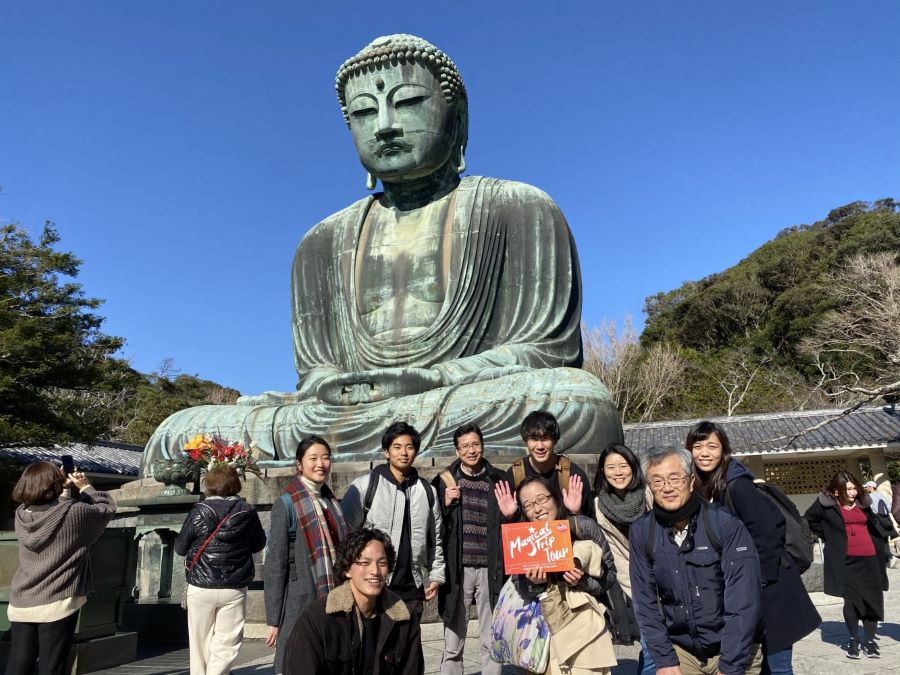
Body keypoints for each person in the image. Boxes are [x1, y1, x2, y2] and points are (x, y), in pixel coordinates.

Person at [141, 32, 622, 469]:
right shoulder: (321, 242)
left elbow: (545, 352)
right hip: (351, 412)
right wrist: (329, 386)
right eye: (365, 113)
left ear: (457, 118)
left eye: (408, 102)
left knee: (578, 401)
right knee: (179, 431)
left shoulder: (518, 207)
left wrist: (431, 379)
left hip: (459, 397)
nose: (385, 126)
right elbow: (318, 371)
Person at [688, 421, 820, 674]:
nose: (705, 453)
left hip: (771, 587)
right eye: (698, 446)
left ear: (724, 450)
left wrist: (755, 582)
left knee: (778, 664)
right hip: (747, 588)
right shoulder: (707, 486)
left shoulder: (738, 484)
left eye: (712, 446)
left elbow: (769, 532)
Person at [630, 446, 763, 675]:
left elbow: (744, 599)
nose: (667, 488)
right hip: (683, 650)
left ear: (691, 481)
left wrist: (730, 665)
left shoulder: (725, 524)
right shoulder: (642, 532)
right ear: (649, 487)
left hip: (734, 647)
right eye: (658, 481)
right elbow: (645, 601)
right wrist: (664, 660)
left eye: (674, 478)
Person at [6, 461, 117, 675]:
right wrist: (84, 487)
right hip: (58, 600)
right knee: (51, 666)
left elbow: (55, 514)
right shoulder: (75, 513)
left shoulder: (22, 515)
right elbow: (106, 509)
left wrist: (64, 489)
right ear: (54, 484)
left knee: (19, 664)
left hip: (22, 599)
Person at [511, 475, 617, 674]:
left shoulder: (582, 526)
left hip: (585, 630)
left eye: (542, 499)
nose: (537, 508)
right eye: (528, 505)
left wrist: (582, 581)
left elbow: (609, 577)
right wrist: (537, 584)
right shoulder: (521, 540)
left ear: (556, 498)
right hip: (542, 633)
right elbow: (521, 589)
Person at [282, 526, 424, 675]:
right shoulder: (316, 620)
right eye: (365, 563)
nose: (375, 571)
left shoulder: (404, 619)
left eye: (382, 563)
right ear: (347, 569)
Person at [341, 421, 445, 618]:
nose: (403, 453)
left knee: (410, 646)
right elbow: (345, 536)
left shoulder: (426, 491)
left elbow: (435, 538)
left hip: (412, 588)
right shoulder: (365, 486)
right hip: (375, 584)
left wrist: (436, 575)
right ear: (386, 452)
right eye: (397, 447)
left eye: (409, 447)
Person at [264, 435, 349, 674]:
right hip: (300, 598)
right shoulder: (288, 503)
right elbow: (275, 565)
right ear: (299, 464)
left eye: (325, 458)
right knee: (299, 661)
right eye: (313, 458)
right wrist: (273, 619)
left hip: (333, 593)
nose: (320, 463)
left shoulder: (330, 500)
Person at [175, 464, 267, 675]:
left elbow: (180, 548)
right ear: (236, 485)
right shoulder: (248, 512)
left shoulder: (199, 511)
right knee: (227, 642)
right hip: (234, 585)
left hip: (200, 584)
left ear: (209, 486)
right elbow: (259, 544)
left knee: (199, 642)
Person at [432, 423, 508, 675]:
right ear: (457, 450)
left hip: (491, 569)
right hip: (459, 569)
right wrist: (444, 504)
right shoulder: (443, 481)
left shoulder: (499, 480)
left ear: (483, 445)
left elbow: (510, 521)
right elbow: (433, 527)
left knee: (491, 636)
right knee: (453, 640)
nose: (471, 450)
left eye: (475, 444)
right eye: (465, 446)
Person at [804, 471, 889, 659]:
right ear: (836, 491)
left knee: (872, 601)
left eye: (854, 488)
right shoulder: (825, 504)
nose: (852, 493)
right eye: (848, 489)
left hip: (870, 558)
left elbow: (873, 525)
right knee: (851, 601)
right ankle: (854, 639)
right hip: (845, 560)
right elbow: (809, 520)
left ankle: (869, 641)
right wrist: (830, 536)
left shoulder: (862, 503)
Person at [592, 444, 649, 654]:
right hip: (633, 580)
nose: (618, 472)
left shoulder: (649, 494)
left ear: (633, 467)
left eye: (623, 466)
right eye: (611, 467)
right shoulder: (600, 505)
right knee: (652, 644)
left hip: (662, 574)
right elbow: (615, 554)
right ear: (602, 472)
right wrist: (636, 590)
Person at [504, 411, 594, 517]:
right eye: (534, 439)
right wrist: (509, 517)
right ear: (525, 441)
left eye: (545, 439)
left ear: (555, 440)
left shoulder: (574, 475)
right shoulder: (514, 475)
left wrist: (575, 513)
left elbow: (591, 524)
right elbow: (505, 527)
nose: (540, 446)